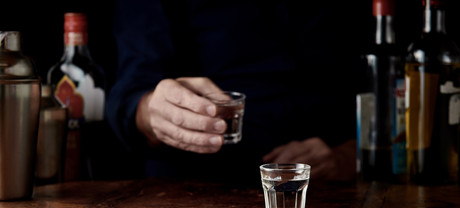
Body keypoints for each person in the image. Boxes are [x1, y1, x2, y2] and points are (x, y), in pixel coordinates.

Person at [107, 0, 367, 184]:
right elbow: (129, 94)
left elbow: (384, 87)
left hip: (331, 191)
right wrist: (153, 113)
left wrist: (351, 156)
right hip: (193, 196)